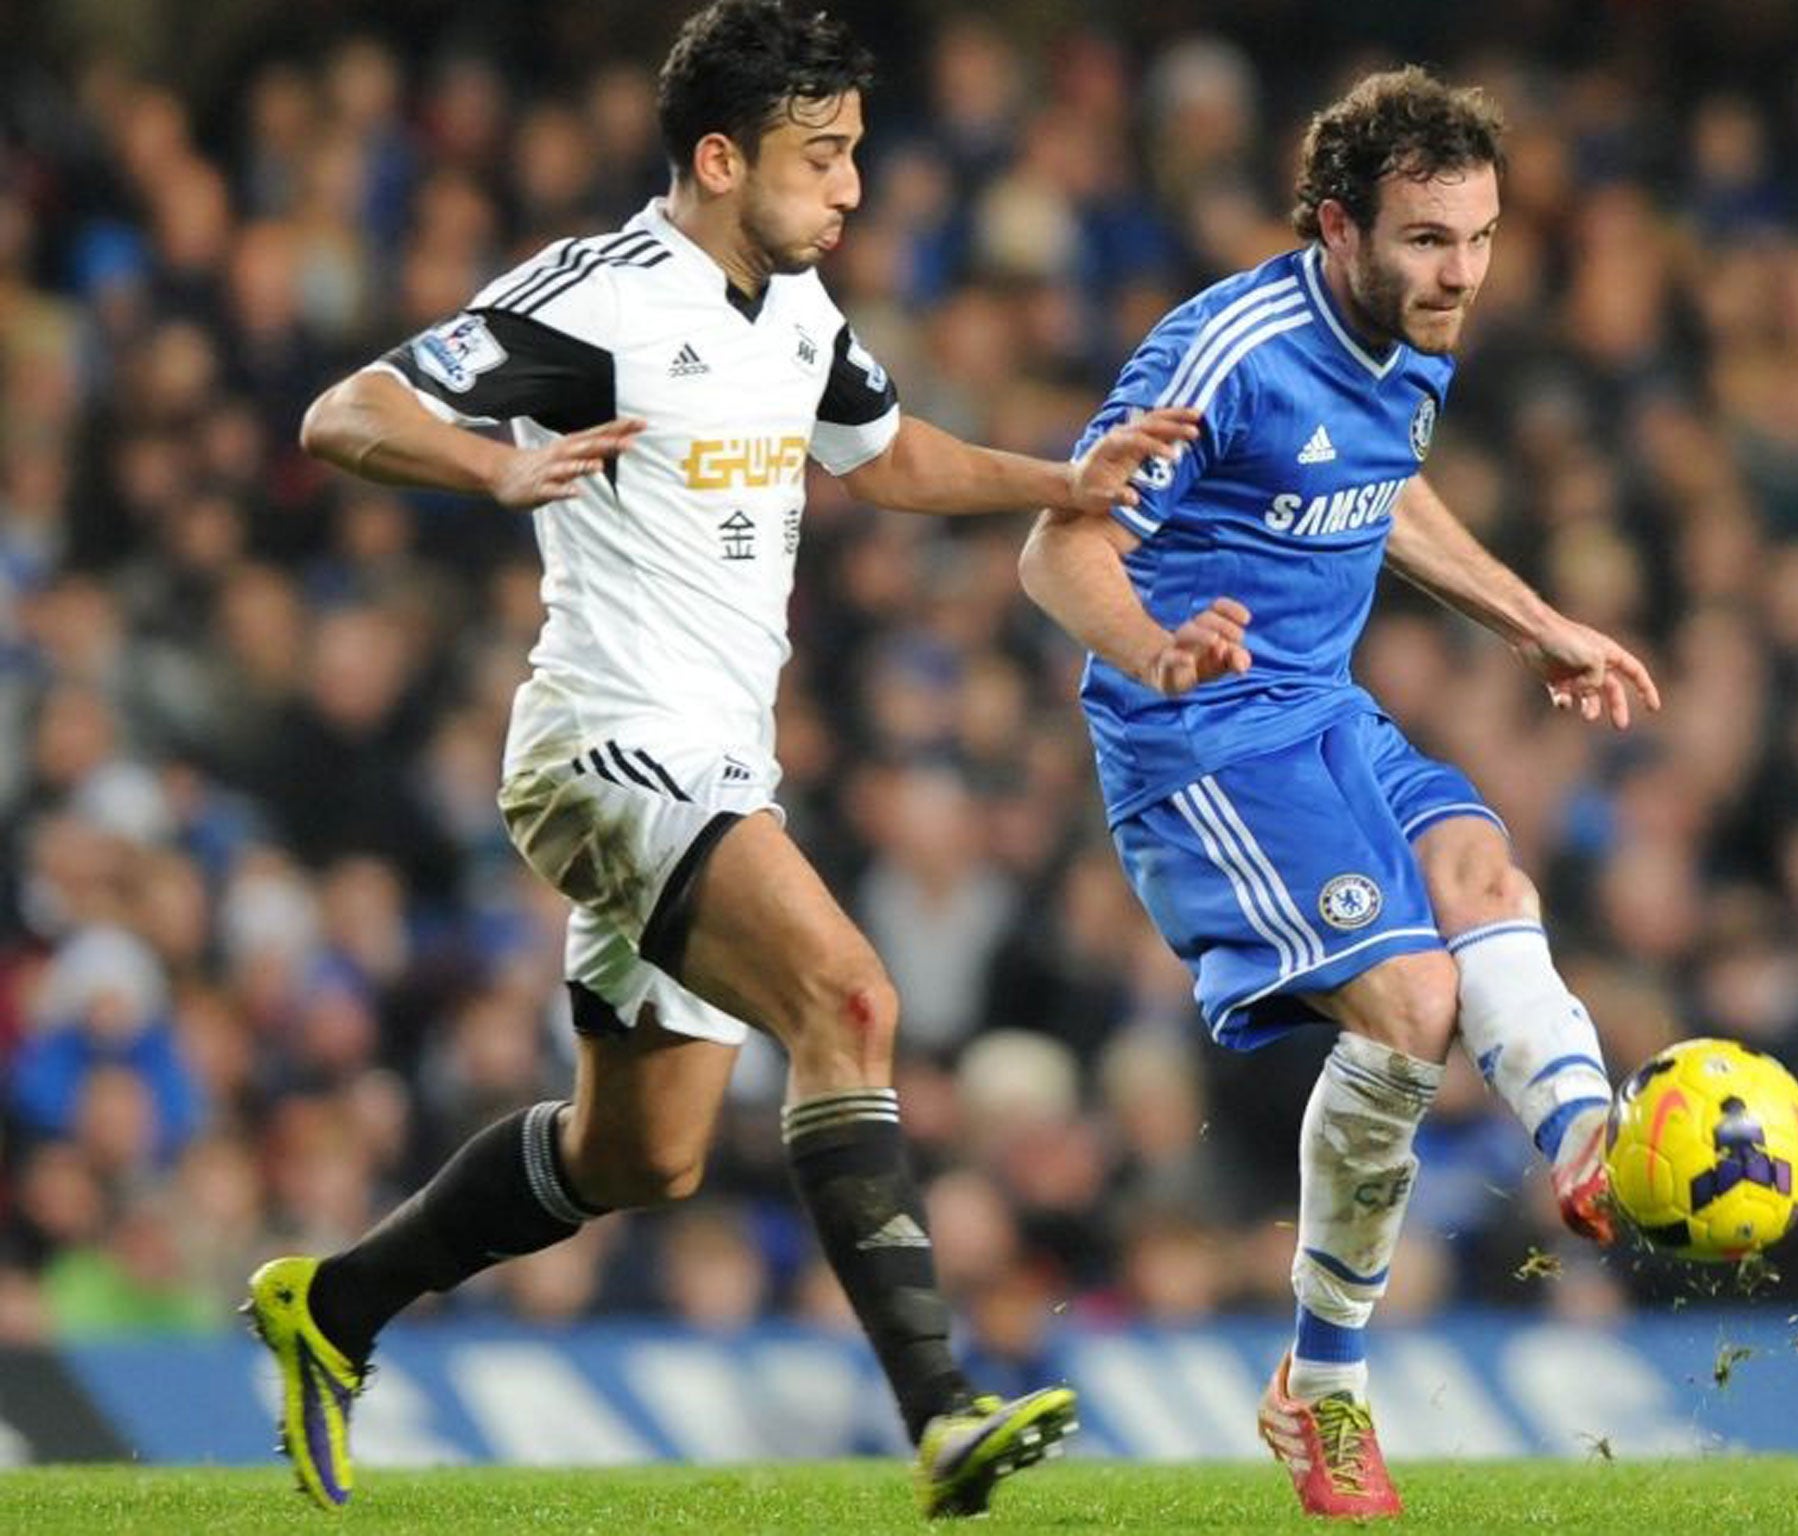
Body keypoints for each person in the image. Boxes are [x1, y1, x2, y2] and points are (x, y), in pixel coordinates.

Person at [244, 0, 1198, 1518]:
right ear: (716, 155)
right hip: (606, 744)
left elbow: (883, 456)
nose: (852, 188)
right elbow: (342, 411)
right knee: (853, 999)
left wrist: (1059, 476)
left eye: (856, 155)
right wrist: (490, 459)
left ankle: (335, 1307)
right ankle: (941, 1411)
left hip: (713, 767)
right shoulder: (601, 296)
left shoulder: (799, 309)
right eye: (821, 158)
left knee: (641, 1157)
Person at [1019, 66, 1660, 1519]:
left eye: (1483, 237)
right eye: (1430, 240)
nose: (1462, 272)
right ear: (1338, 225)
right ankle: (1327, 1394)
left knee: (1490, 874)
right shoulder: (1226, 350)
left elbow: (1386, 491)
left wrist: (1529, 619)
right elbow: (1056, 551)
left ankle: (1586, 1135)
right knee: (1414, 1007)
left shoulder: (1417, 342)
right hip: (1200, 738)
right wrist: (1158, 652)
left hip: (1322, 708)